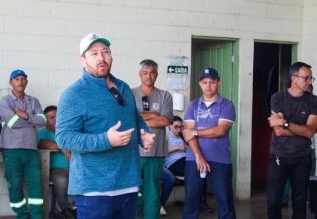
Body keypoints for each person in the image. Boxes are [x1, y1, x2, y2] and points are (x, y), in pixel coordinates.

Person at [55, 32, 155, 219]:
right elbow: (64, 138)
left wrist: (144, 134)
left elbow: (135, 118)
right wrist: (106, 140)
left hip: (128, 183)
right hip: (94, 190)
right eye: (93, 53)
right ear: (82, 60)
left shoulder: (123, 87)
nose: (101, 57)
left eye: (105, 51)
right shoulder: (73, 94)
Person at [182, 67, 236, 219]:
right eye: (205, 82)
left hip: (220, 160)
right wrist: (199, 156)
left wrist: (195, 132)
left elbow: (220, 130)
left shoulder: (226, 105)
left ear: (218, 83)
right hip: (194, 160)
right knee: (191, 202)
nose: (208, 86)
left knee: (225, 202)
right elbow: (188, 133)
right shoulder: (193, 105)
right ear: (200, 84)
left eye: (212, 82)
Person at [268, 62, 317, 219]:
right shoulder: (278, 98)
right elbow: (278, 131)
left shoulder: (314, 101)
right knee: (274, 201)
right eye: (306, 78)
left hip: (302, 157)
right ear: (294, 78)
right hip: (279, 156)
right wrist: (299, 128)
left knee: (300, 202)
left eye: (311, 78)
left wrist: (285, 122)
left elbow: (310, 131)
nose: (310, 81)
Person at [0, 69, 46, 219]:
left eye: (23, 79)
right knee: (15, 184)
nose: (20, 81)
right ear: (11, 82)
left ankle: (37, 216)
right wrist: (31, 120)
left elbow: (42, 121)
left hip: (31, 149)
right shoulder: (5, 101)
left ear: (26, 81)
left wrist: (25, 115)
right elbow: (12, 122)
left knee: (35, 185)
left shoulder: (34, 101)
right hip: (11, 150)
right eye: (17, 79)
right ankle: (22, 215)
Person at [131, 59, 173, 219]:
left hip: (155, 153)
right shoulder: (130, 94)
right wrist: (154, 115)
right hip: (133, 152)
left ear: (157, 74)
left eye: (152, 73)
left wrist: (139, 119)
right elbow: (129, 118)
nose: (149, 76)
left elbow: (165, 121)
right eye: (145, 73)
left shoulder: (164, 96)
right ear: (140, 74)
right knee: (132, 192)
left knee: (153, 193)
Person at [37, 105, 75, 219]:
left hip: (74, 167)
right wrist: (62, 146)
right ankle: (66, 210)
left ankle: (76, 208)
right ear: (46, 120)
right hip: (56, 169)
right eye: (52, 117)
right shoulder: (43, 132)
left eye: (58, 117)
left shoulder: (67, 132)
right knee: (61, 179)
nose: (56, 120)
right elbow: (43, 143)